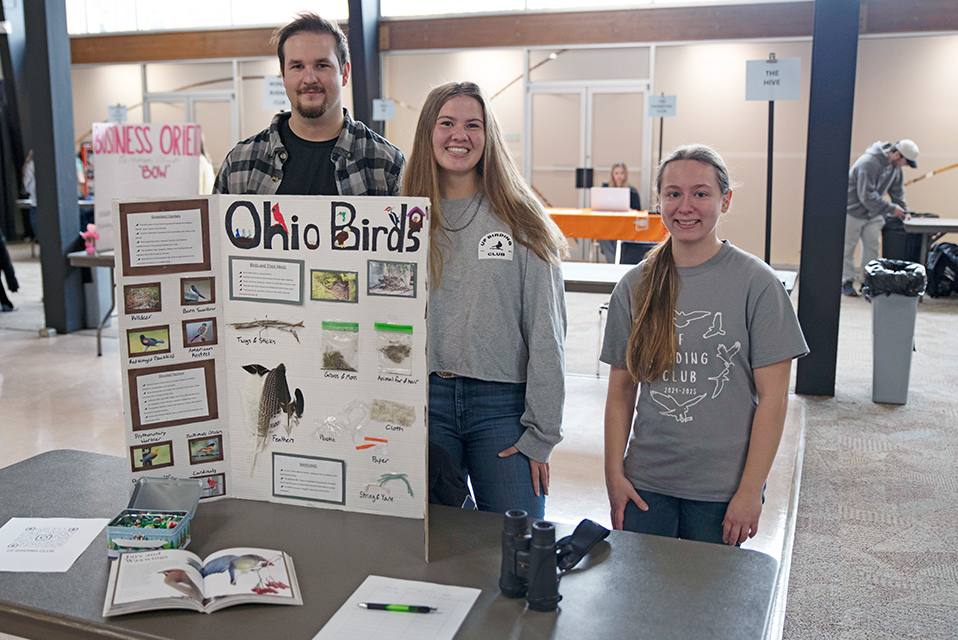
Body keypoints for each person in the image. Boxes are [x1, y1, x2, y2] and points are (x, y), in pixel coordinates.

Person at [601, 144, 807, 545]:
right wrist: (614, 475)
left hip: (722, 490)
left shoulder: (758, 285)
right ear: (659, 200)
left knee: (708, 586)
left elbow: (774, 399)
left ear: (725, 200)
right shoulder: (635, 285)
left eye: (701, 193)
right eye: (673, 194)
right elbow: (620, 391)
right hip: (646, 483)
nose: (685, 206)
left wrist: (750, 490)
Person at [403, 82, 568, 518]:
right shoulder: (402, 219)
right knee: (436, 543)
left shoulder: (522, 218)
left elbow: (547, 332)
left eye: (473, 125)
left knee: (517, 541)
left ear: (488, 135)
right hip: (425, 400)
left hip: (503, 407)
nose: (460, 135)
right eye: (447, 123)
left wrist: (542, 433)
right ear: (428, 132)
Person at [213, 12, 404, 196]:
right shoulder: (239, 164)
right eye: (297, 66)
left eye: (322, 65)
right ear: (283, 75)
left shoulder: (387, 165)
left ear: (345, 73)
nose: (309, 79)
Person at [843, 139, 919, 297]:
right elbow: (866, 196)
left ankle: (867, 283)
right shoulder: (868, 163)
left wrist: (904, 211)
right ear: (897, 154)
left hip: (874, 214)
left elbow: (897, 193)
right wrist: (891, 209)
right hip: (853, 212)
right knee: (847, 248)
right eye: (905, 161)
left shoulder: (895, 168)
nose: (905, 165)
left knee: (872, 248)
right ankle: (847, 282)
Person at [598, 162, 642, 263]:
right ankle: (613, 263)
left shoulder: (632, 191)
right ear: (612, 174)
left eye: (622, 173)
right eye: (616, 173)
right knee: (602, 236)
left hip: (626, 226)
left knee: (624, 238)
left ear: (625, 174)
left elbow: (638, 211)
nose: (619, 176)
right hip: (608, 225)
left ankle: (620, 262)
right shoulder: (605, 189)